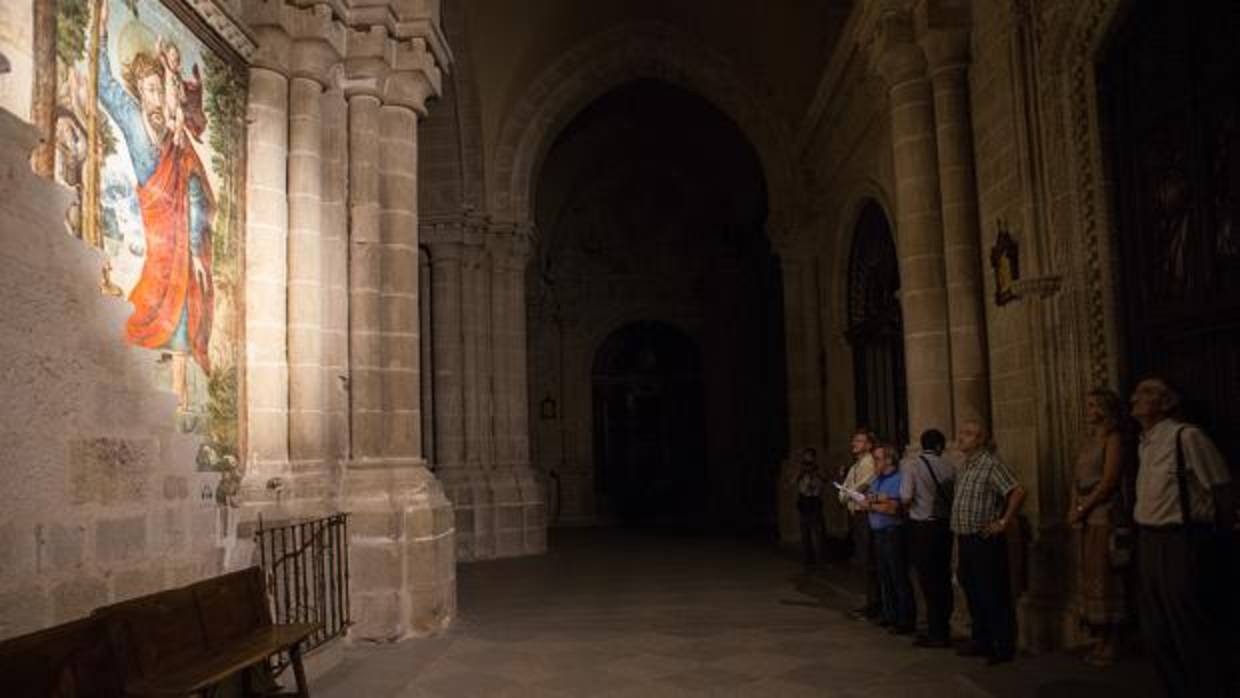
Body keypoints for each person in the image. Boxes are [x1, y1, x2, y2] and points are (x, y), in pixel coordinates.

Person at [97, 0, 215, 410]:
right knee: (146, 308)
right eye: (149, 89)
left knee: (183, 313)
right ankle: (134, 397)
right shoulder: (133, 120)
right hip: (156, 230)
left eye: (160, 90)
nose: (157, 99)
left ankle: (178, 404)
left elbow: (196, 189)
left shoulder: (174, 139)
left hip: (180, 239)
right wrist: (101, 25)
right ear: (139, 91)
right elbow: (104, 86)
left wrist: (199, 251)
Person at [1130, 377, 1234, 697]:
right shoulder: (1144, 442)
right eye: (1136, 392)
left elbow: (1221, 487)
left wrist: (1224, 532)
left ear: (1166, 402)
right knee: (1156, 627)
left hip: (1180, 540)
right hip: (1148, 539)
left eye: (1146, 392)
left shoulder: (1186, 437)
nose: (1135, 397)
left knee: (1186, 624)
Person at [950, 419, 1026, 665]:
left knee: (992, 593)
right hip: (965, 538)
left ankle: (1001, 646)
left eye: (969, 434)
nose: (962, 437)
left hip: (984, 540)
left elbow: (1017, 491)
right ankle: (981, 640)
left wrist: (1003, 521)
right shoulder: (965, 465)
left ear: (981, 440)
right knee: (971, 590)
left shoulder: (991, 464)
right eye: (962, 432)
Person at [1068, 388, 1129, 666]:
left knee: (1106, 576)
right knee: (1091, 575)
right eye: (1088, 404)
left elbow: (1109, 480)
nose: (1088, 409)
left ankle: (1113, 642)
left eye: (1093, 405)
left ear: (1105, 409)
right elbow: (1076, 477)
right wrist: (1073, 506)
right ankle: (1098, 638)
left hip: (1103, 514)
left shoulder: (1113, 439)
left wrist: (1084, 506)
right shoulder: (1088, 440)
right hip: (1084, 515)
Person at [901, 428, 955, 648]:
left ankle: (935, 631)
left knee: (928, 580)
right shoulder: (950, 466)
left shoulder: (912, 465)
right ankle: (944, 626)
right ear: (940, 446)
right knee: (943, 577)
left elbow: (905, 497)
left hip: (922, 527)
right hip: (944, 526)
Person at [863, 443, 915, 634]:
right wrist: (877, 500)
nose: (874, 462)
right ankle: (890, 614)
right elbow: (868, 497)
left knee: (898, 576)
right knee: (884, 575)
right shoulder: (877, 479)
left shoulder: (897, 479)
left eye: (877, 458)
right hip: (878, 532)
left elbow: (893, 509)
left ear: (889, 460)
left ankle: (905, 620)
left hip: (893, 532)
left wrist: (873, 504)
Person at [839, 428, 880, 619]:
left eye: (859, 441)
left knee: (868, 560)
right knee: (863, 560)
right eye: (854, 440)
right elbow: (844, 491)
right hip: (856, 515)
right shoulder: (855, 465)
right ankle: (870, 602)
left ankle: (874, 605)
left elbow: (859, 488)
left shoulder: (870, 463)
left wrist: (847, 494)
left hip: (865, 515)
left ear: (869, 445)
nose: (854, 443)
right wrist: (845, 495)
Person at [791, 447, 828, 567]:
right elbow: (792, 482)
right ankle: (808, 559)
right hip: (804, 501)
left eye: (810, 456)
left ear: (814, 457)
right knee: (805, 532)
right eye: (806, 456)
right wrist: (800, 473)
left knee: (818, 532)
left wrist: (816, 473)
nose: (808, 459)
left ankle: (821, 559)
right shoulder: (800, 469)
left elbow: (825, 479)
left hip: (815, 501)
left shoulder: (818, 469)